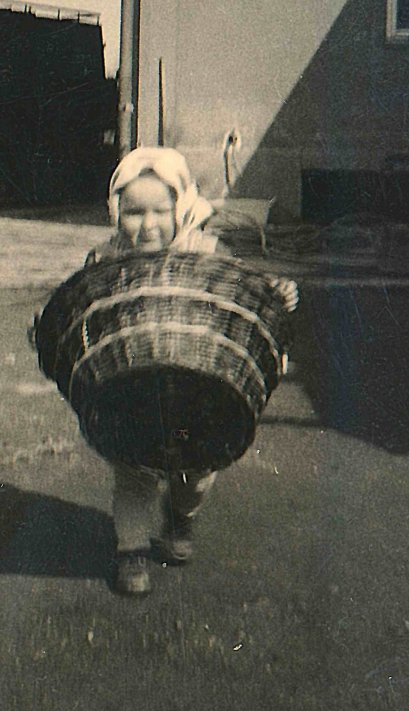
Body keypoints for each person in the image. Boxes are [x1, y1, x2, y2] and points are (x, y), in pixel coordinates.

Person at [85, 147, 298, 596]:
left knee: (195, 472)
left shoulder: (203, 252)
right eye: (133, 212)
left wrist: (274, 294)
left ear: (180, 207)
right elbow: (82, 313)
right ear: (115, 212)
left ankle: (180, 521)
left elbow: (241, 296)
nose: (147, 225)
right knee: (134, 470)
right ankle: (132, 552)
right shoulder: (107, 261)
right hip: (133, 387)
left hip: (198, 388)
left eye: (160, 210)